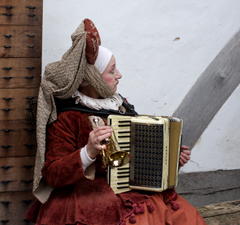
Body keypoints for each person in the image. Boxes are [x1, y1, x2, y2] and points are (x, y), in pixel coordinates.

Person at [25, 18, 207, 225]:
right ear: (92, 78)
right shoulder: (68, 117)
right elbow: (52, 175)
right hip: (87, 195)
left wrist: (172, 159)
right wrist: (88, 152)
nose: (119, 75)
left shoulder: (121, 106)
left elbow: (140, 157)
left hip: (129, 188)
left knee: (184, 216)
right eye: (112, 71)